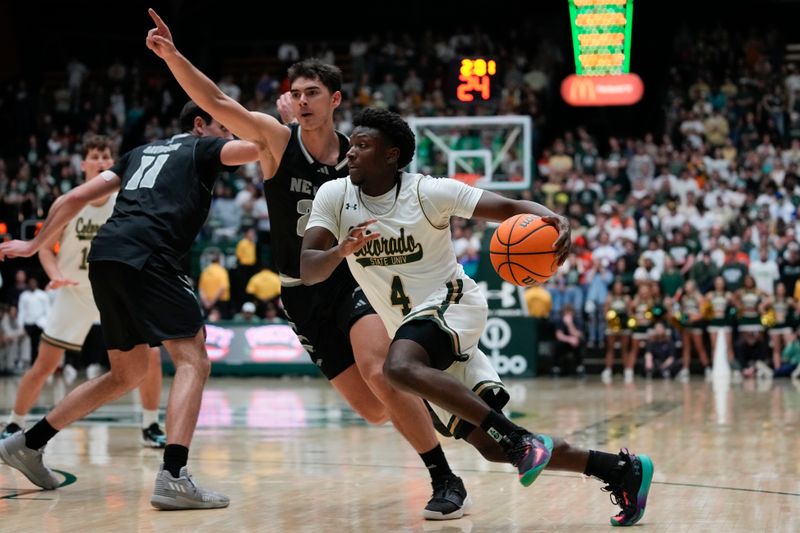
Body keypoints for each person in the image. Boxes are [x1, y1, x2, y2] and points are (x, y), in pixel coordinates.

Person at [146, 9, 470, 519]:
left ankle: (444, 477)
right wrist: (172, 55)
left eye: (312, 92)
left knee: (377, 367)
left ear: (335, 100)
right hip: (298, 290)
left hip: (351, 277)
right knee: (372, 409)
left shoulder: (356, 156)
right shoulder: (275, 140)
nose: (302, 101)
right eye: (295, 93)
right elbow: (215, 102)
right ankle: (422, 394)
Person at [300, 107, 654, 527]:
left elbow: (507, 206)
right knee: (490, 445)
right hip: (413, 333)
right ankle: (620, 470)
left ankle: (521, 440)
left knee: (397, 366)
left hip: (451, 302)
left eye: (362, 145)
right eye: (351, 145)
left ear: (392, 155)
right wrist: (341, 250)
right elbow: (308, 269)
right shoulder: (335, 196)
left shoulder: (429, 192)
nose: (351, 153)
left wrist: (554, 217)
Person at [0, 101, 259, 510]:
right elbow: (259, 146)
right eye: (224, 127)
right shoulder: (203, 147)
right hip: (150, 255)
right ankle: (174, 476)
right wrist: (289, 126)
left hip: (104, 257)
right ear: (199, 124)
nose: (229, 135)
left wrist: (34, 244)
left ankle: (29, 443)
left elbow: (75, 196)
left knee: (128, 372)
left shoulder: (138, 154)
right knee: (194, 360)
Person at [0, 137, 167, 448]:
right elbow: (46, 249)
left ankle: (150, 425)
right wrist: (56, 276)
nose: (101, 161)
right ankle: (14, 423)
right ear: (83, 164)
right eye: (95, 156)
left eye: (106, 156)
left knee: (152, 358)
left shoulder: (125, 199)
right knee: (45, 364)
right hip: (75, 291)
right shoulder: (66, 202)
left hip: (117, 292)